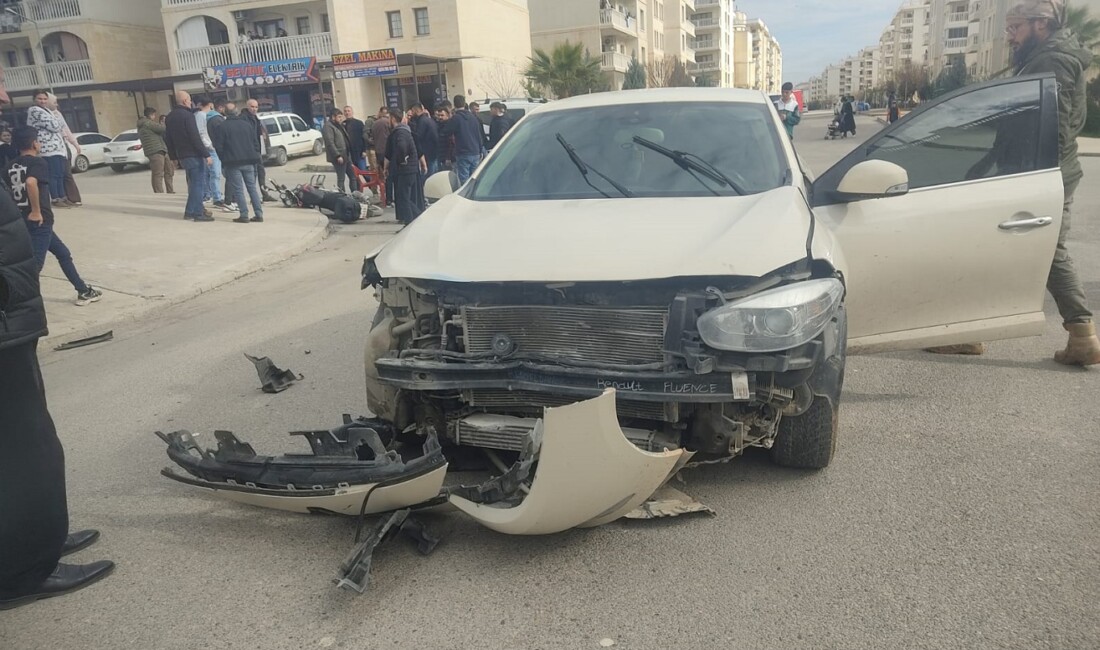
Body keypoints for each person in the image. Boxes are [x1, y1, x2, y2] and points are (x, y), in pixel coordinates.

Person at [928, 0, 1100, 364]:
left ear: (1041, 24)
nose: (1009, 37)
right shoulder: (1044, 56)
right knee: (1025, 248)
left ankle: (1079, 335)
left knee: (1037, 249)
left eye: (1015, 28)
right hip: (1033, 171)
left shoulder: (1053, 61)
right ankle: (1080, 336)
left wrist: (1031, 179)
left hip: (1040, 173)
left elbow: (1055, 125)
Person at [5, 126, 101, 306]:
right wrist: (36, 211)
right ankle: (17, 304)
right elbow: (31, 183)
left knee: (63, 253)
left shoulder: (10, 166)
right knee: (34, 267)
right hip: (39, 221)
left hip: (22, 220)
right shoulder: (38, 163)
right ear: (35, 143)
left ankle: (83, 291)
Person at [165, 90, 213, 221]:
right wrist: (206, 154)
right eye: (190, 100)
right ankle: (198, 213)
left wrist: (173, 157)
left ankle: (190, 211)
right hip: (193, 154)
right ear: (185, 101)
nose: (191, 102)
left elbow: (168, 139)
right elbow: (194, 137)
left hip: (182, 155)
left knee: (193, 185)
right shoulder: (187, 116)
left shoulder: (170, 117)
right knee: (198, 185)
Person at [213, 107, 265, 224]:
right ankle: (259, 213)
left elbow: (219, 146)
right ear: (237, 113)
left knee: (238, 189)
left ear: (225, 113)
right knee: (252, 188)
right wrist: (255, 155)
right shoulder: (247, 125)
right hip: (249, 160)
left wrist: (223, 159)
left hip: (232, 162)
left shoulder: (222, 127)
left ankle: (244, 214)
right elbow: (255, 143)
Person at [26, 90, 73, 208]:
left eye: (45, 99)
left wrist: (57, 120)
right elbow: (55, 126)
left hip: (57, 148)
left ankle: (63, 197)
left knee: (60, 173)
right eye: (39, 99)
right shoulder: (34, 110)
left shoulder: (48, 111)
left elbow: (61, 125)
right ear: (34, 100)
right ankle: (56, 198)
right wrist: (57, 120)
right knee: (54, 174)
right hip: (48, 149)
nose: (42, 101)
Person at [385, 107, 426, 225]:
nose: (388, 121)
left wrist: (401, 160)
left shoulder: (400, 132)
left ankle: (412, 221)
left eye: (389, 118)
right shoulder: (405, 130)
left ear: (393, 119)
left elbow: (402, 147)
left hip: (405, 170)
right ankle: (417, 217)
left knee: (404, 198)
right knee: (405, 197)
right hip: (411, 169)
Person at [439, 95, 483, 184]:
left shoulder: (456, 118)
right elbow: (479, 134)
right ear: (464, 103)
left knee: (464, 179)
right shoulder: (473, 117)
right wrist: (480, 149)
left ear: (454, 104)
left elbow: (445, 132)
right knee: (474, 179)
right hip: (475, 151)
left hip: (463, 152)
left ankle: (466, 196)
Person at [243, 99, 275, 201]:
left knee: (261, 172)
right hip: (249, 151)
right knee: (252, 174)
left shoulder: (255, 118)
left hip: (257, 150)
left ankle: (264, 194)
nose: (254, 109)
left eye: (256, 107)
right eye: (252, 107)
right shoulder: (244, 118)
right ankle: (254, 197)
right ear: (247, 106)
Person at [138, 107, 174, 194]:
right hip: (155, 150)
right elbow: (162, 129)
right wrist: (164, 123)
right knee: (158, 173)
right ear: (151, 115)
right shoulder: (147, 123)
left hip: (161, 149)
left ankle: (170, 190)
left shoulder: (146, 124)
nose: (155, 117)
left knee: (169, 170)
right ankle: (159, 193)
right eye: (154, 115)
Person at [322, 108, 355, 193]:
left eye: (341, 117)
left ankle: (355, 195)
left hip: (346, 155)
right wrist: (337, 155)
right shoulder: (328, 127)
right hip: (339, 156)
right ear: (333, 117)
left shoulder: (339, 125)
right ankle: (342, 195)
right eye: (339, 117)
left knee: (353, 176)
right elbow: (330, 143)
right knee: (341, 178)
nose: (341, 119)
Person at [371, 106, 393, 203]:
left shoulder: (375, 123)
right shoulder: (388, 123)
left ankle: (385, 198)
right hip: (387, 152)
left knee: (383, 175)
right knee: (390, 176)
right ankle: (390, 198)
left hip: (378, 152)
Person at [342, 105, 367, 170]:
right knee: (354, 174)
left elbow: (364, 137)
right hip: (349, 154)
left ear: (352, 112)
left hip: (359, 152)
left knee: (363, 171)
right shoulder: (342, 125)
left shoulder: (359, 123)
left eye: (348, 111)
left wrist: (364, 150)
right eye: (345, 111)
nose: (347, 113)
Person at [434, 102, 456, 171]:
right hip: (442, 158)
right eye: (439, 115)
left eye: (442, 115)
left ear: (447, 116)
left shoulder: (450, 127)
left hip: (450, 159)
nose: (440, 117)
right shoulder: (439, 126)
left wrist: (448, 157)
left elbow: (452, 143)